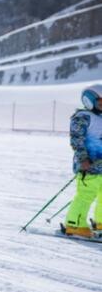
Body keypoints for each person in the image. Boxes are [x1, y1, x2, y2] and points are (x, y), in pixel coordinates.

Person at [64, 84, 102, 238]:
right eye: (100, 101)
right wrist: (83, 159)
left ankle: (100, 222)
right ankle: (74, 224)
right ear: (89, 100)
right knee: (86, 194)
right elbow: (77, 139)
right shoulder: (83, 117)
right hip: (89, 165)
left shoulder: (100, 118)